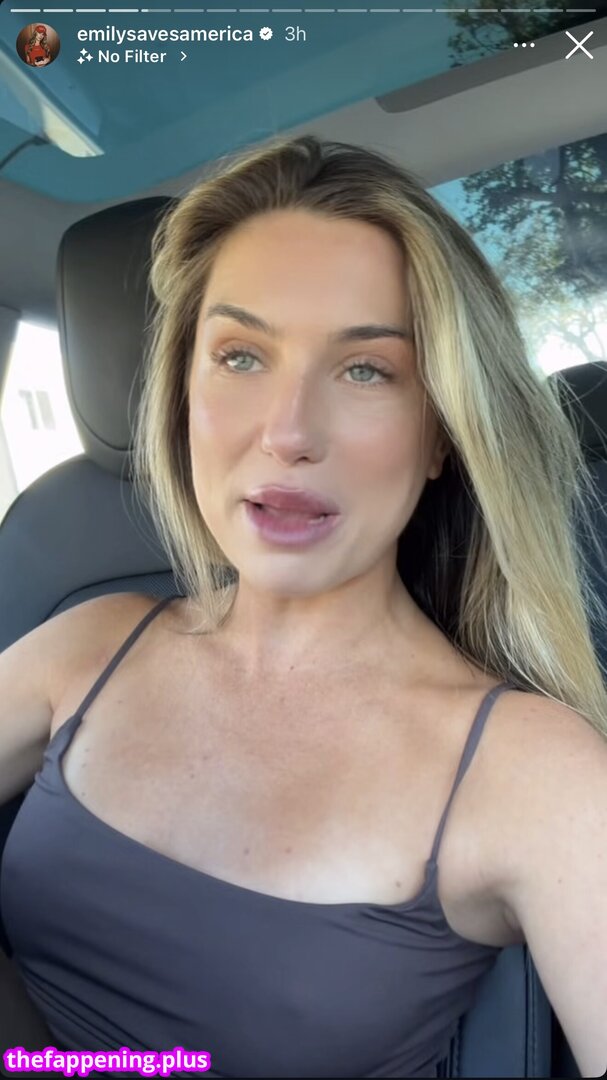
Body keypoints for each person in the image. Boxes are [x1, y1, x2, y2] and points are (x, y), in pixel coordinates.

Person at [0, 136, 606, 1078]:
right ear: (182, 394)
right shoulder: (87, 642)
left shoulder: (535, 772)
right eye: (240, 356)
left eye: (366, 370)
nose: (287, 432)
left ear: (440, 432)